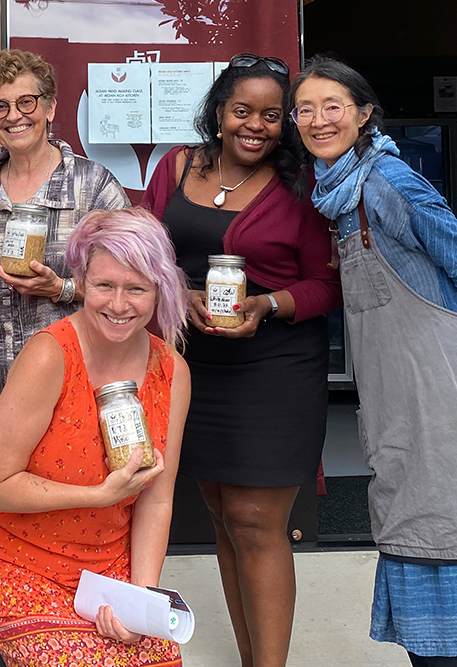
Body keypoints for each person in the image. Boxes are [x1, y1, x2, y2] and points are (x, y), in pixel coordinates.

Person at [293, 55, 457, 667]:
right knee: (420, 533)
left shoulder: (389, 184)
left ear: (363, 114)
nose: (318, 119)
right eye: (305, 109)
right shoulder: (337, 194)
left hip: (449, 391)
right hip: (406, 395)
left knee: (437, 538)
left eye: (334, 106)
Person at [140, 53, 341, 667]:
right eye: (242, 111)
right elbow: (143, 251)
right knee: (225, 515)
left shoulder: (303, 187)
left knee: (257, 519)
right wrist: (179, 293)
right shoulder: (176, 166)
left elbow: (329, 283)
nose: (255, 125)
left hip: (275, 367)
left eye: (273, 115)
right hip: (193, 365)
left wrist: (268, 304)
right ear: (219, 113)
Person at [0, 208, 191, 667]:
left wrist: (138, 599)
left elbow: (156, 500)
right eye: (104, 286)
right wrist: (99, 495)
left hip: (106, 568)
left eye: (136, 289)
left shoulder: (171, 371)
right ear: (81, 281)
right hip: (13, 559)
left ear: (159, 289)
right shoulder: (50, 355)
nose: (119, 305)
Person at [0, 49, 128, 492]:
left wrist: (64, 288)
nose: (14, 115)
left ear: (50, 107)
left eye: (26, 102)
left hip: (69, 374)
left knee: (64, 497)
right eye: (0, 106)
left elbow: (131, 286)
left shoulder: (94, 186)